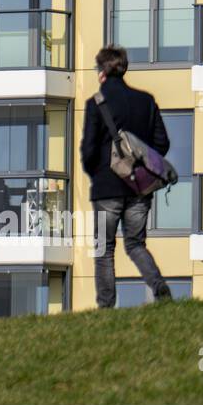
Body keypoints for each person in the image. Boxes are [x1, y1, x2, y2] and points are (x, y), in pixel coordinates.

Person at [80, 45, 172, 308]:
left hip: (106, 188)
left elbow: (88, 149)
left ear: (102, 72)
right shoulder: (146, 101)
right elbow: (161, 143)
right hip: (139, 188)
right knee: (135, 244)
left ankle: (106, 306)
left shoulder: (96, 103)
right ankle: (159, 286)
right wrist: (140, 164)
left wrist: (97, 172)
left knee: (103, 250)